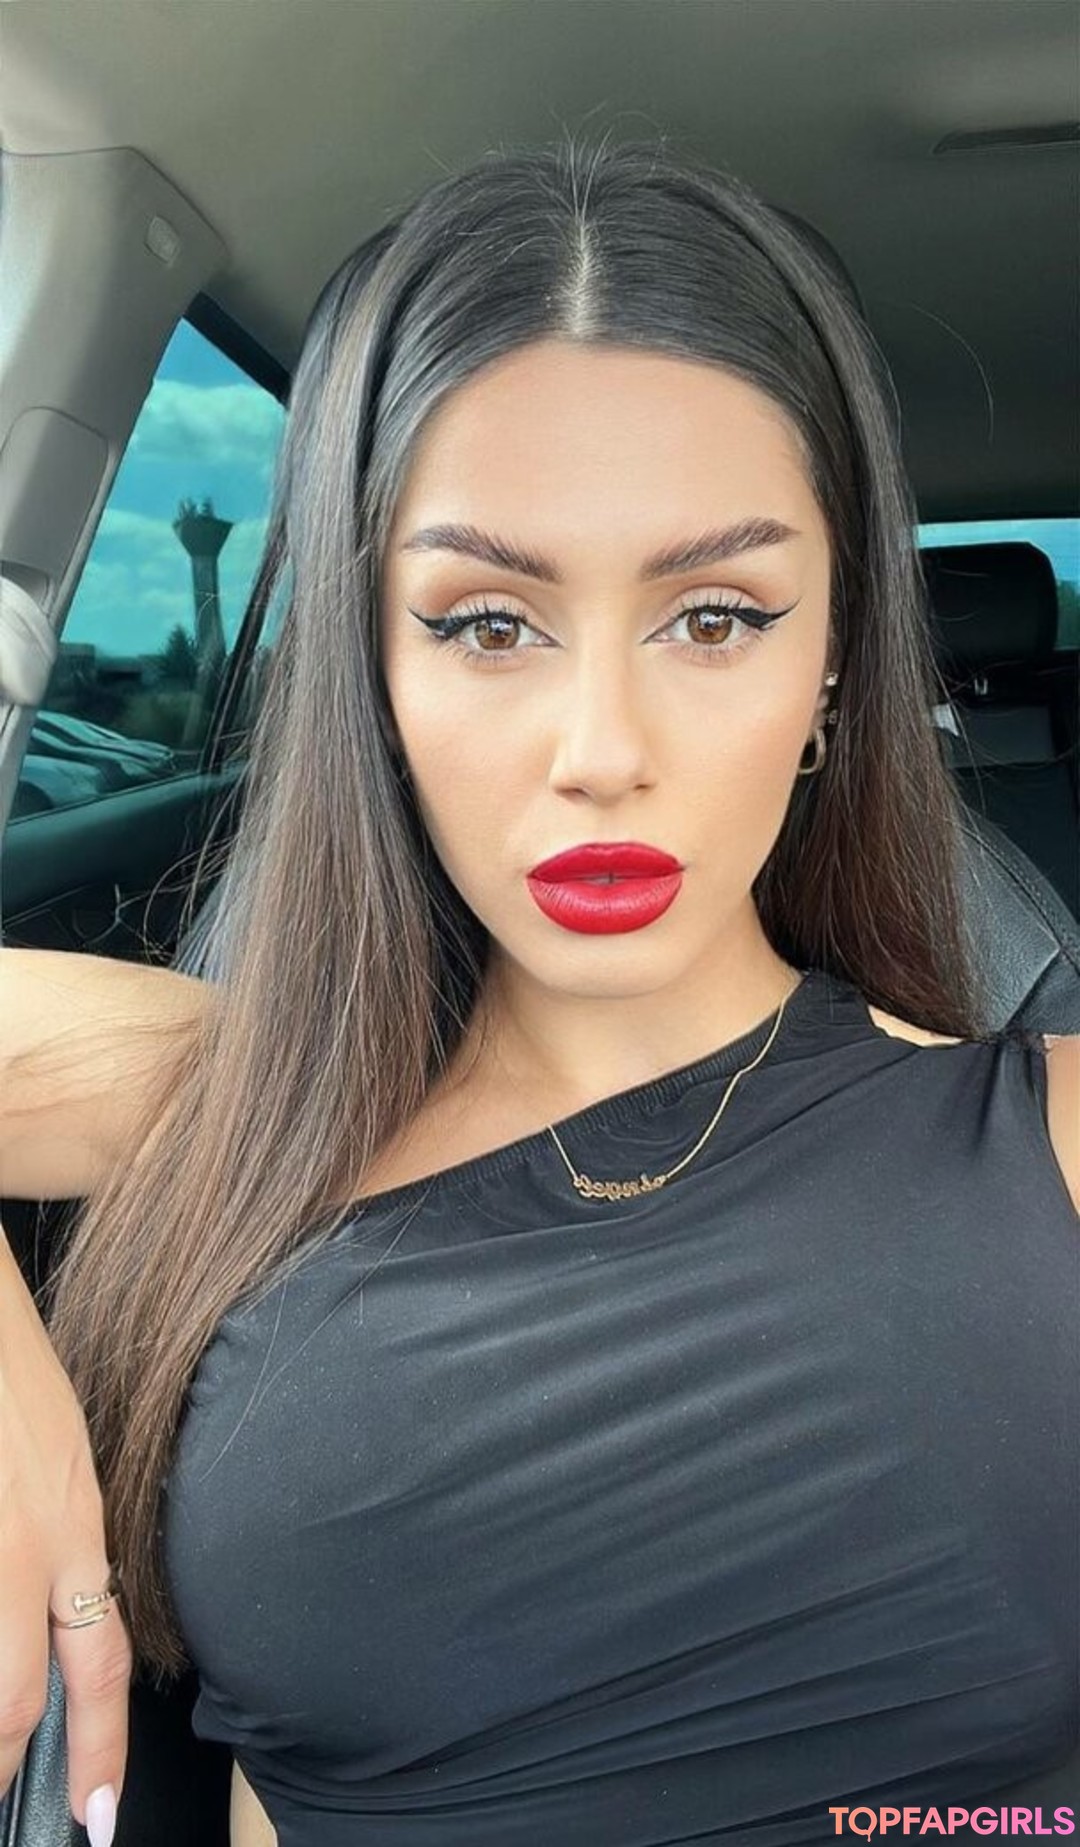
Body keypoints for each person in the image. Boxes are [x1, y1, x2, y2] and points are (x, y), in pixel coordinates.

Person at [1, 135, 1077, 1847]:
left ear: (833, 663)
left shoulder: (1045, 1145)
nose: (601, 752)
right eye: (488, 624)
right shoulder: (240, 1100)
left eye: (715, 616)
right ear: (374, 664)